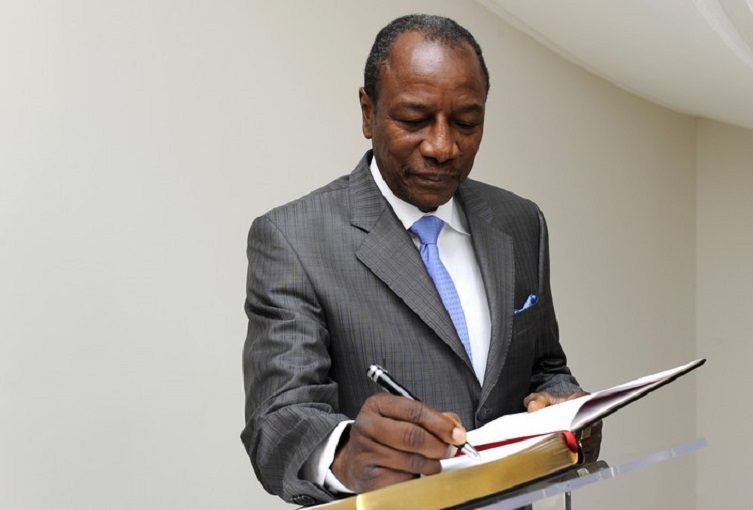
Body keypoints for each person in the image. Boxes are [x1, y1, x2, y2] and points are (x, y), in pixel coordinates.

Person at [241, 14, 592, 507]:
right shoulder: (293, 239)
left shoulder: (520, 222)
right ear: (368, 113)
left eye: (466, 123)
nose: (442, 147)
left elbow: (546, 367)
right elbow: (277, 421)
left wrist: (565, 405)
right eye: (413, 120)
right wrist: (345, 453)